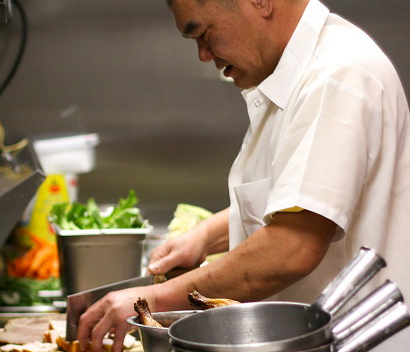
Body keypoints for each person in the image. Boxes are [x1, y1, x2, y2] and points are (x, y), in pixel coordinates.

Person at [76, 0, 410, 351]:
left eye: (204, 33)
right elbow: (296, 201)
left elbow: (292, 246)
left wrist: (155, 301)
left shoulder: (338, 75)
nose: (204, 55)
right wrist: (205, 236)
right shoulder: (287, 76)